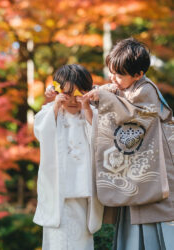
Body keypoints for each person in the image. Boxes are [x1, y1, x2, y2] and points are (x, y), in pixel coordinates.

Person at [86, 37, 174, 250]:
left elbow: (130, 115)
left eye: (119, 74)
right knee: (136, 206)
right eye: (112, 72)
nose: (113, 78)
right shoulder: (128, 86)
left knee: (157, 212)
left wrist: (104, 98)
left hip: (159, 165)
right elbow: (113, 93)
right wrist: (95, 94)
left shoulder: (146, 90)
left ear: (138, 74)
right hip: (142, 166)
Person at [33, 64, 103, 250]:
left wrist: (87, 109)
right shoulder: (51, 112)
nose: (72, 101)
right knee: (58, 240)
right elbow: (41, 132)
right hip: (59, 192)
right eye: (67, 95)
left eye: (78, 95)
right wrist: (55, 104)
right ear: (58, 92)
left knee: (82, 240)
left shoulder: (92, 113)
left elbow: (101, 138)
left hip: (84, 191)